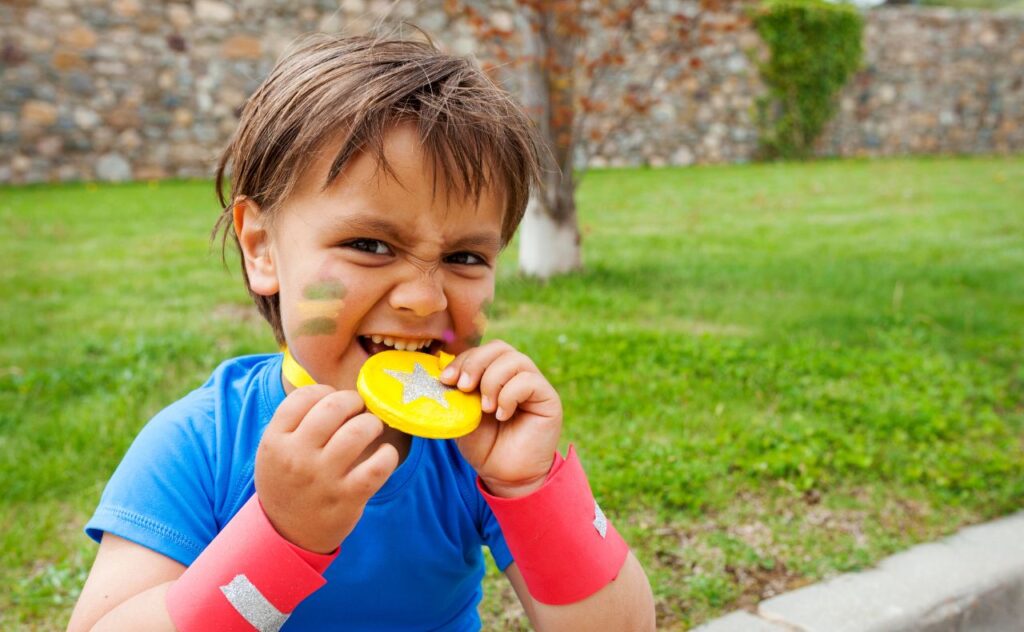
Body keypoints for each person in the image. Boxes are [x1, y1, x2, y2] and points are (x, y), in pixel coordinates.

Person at [69, 31, 656, 631]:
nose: (423, 298)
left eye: (465, 257)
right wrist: (279, 538)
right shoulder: (202, 443)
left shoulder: (472, 449)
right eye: (370, 245)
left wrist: (530, 486)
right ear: (262, 247)